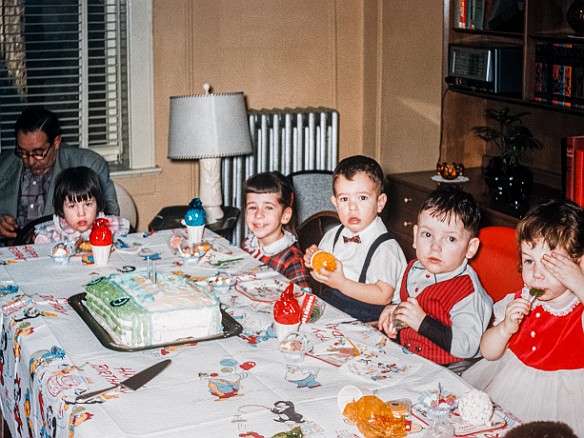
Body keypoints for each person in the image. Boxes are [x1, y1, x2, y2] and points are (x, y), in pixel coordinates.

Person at [462, 200, 584, 436]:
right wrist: (505, 328)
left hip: (564, 402)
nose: (536, 274)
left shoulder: (578, 309)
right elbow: (488, 352)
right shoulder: (521, 298)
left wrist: (580, 283)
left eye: (550, 264)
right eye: (529, 261)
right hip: (510, 385)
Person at [378, 186, 493, 365]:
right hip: (412, 356)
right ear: (415, 236)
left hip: (451, 367)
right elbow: (415, 304)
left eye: (450, 239)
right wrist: (397, 312)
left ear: (470, 248)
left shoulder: (466, 291)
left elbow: (467, 346)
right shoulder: (414, 268)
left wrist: (422, 323)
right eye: (427, 234)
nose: (435, 247)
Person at [303, 155, 406, 322]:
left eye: (362, 198)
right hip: (336, 306)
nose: (352, 207)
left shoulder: (386, 248)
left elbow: (383, 296)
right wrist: (313, 260)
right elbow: (324, 271)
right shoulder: (333, 235)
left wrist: (342, 283)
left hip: (370, 318)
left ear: (380, 203)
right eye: (344, 199)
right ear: (335, 203)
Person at [0, 107, 119, 241]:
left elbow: (110, 214)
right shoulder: (4, 164)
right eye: (23, 152)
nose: (31, 161)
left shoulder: (88, 164)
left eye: (39, 153)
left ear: (56, 143)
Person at [241, 171, 310, 289]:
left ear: (285, 215)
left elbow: (302, 300)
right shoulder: (248, 243)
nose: (258, 215)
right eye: (252, 207)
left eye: (268, 207)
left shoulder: (292, 260)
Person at [33, 167, 129, 244]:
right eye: (72, 206)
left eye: (87, 204)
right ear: (61, 209)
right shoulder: (50, 235)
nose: (81, 213)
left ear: (98, 204)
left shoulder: (111, 226)